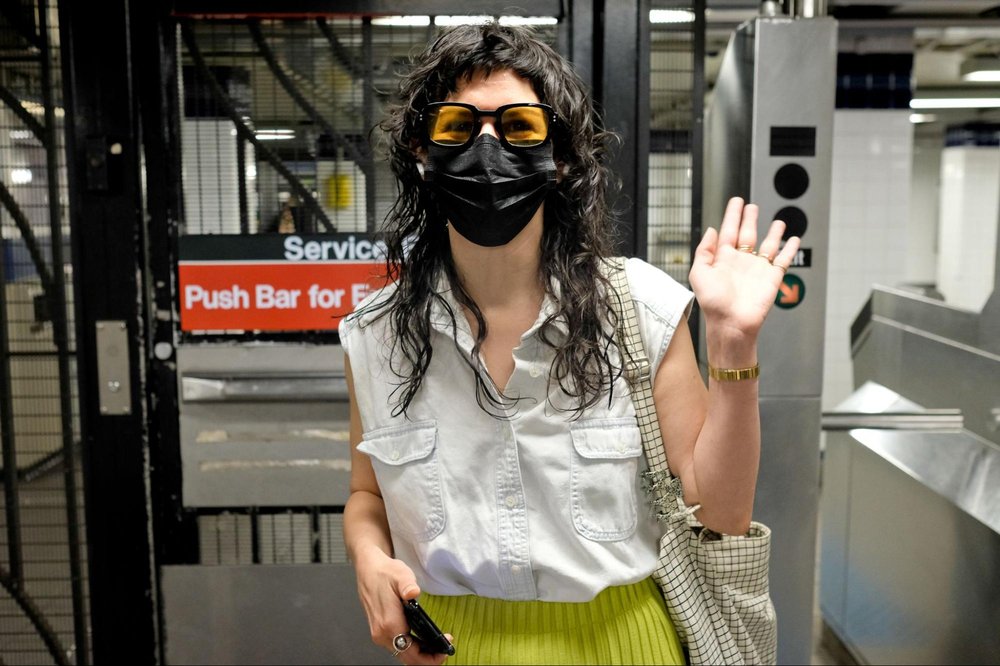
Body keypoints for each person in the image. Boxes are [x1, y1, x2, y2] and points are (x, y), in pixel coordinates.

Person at [340, 22, 799, 665]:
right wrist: (368, 558)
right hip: (449, 650)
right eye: (458, 126)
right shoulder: (376, 334)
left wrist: (733, 345)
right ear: (423, 151)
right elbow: (367, 494)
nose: (488, 145)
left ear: (559, 158)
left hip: (622, 645)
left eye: (520, 126)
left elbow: (718, 513)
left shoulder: (636, 310)